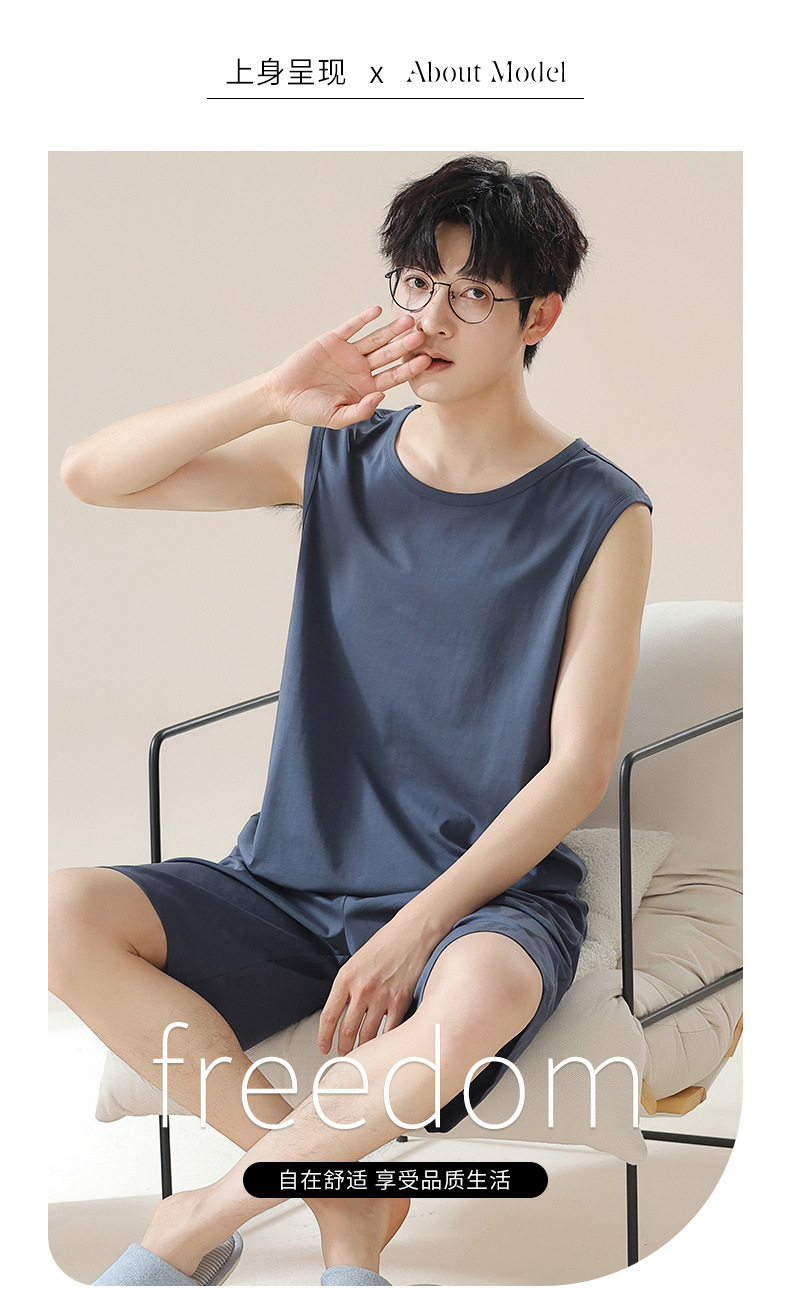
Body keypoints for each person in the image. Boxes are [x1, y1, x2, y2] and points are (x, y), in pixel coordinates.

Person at [50, 154, 653, 1287]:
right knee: (56, 912)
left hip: (479, 897)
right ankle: (348, 1204)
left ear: (539, 317)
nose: (432, 317)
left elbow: (576, 771)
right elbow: (91, 474)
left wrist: (416, 926)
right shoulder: (334, 451)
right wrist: (267, 397)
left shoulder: (601, 512)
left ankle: (190, 1223)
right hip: (288, 879)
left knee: (486, 988)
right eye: (417, 282)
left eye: (473, 293)